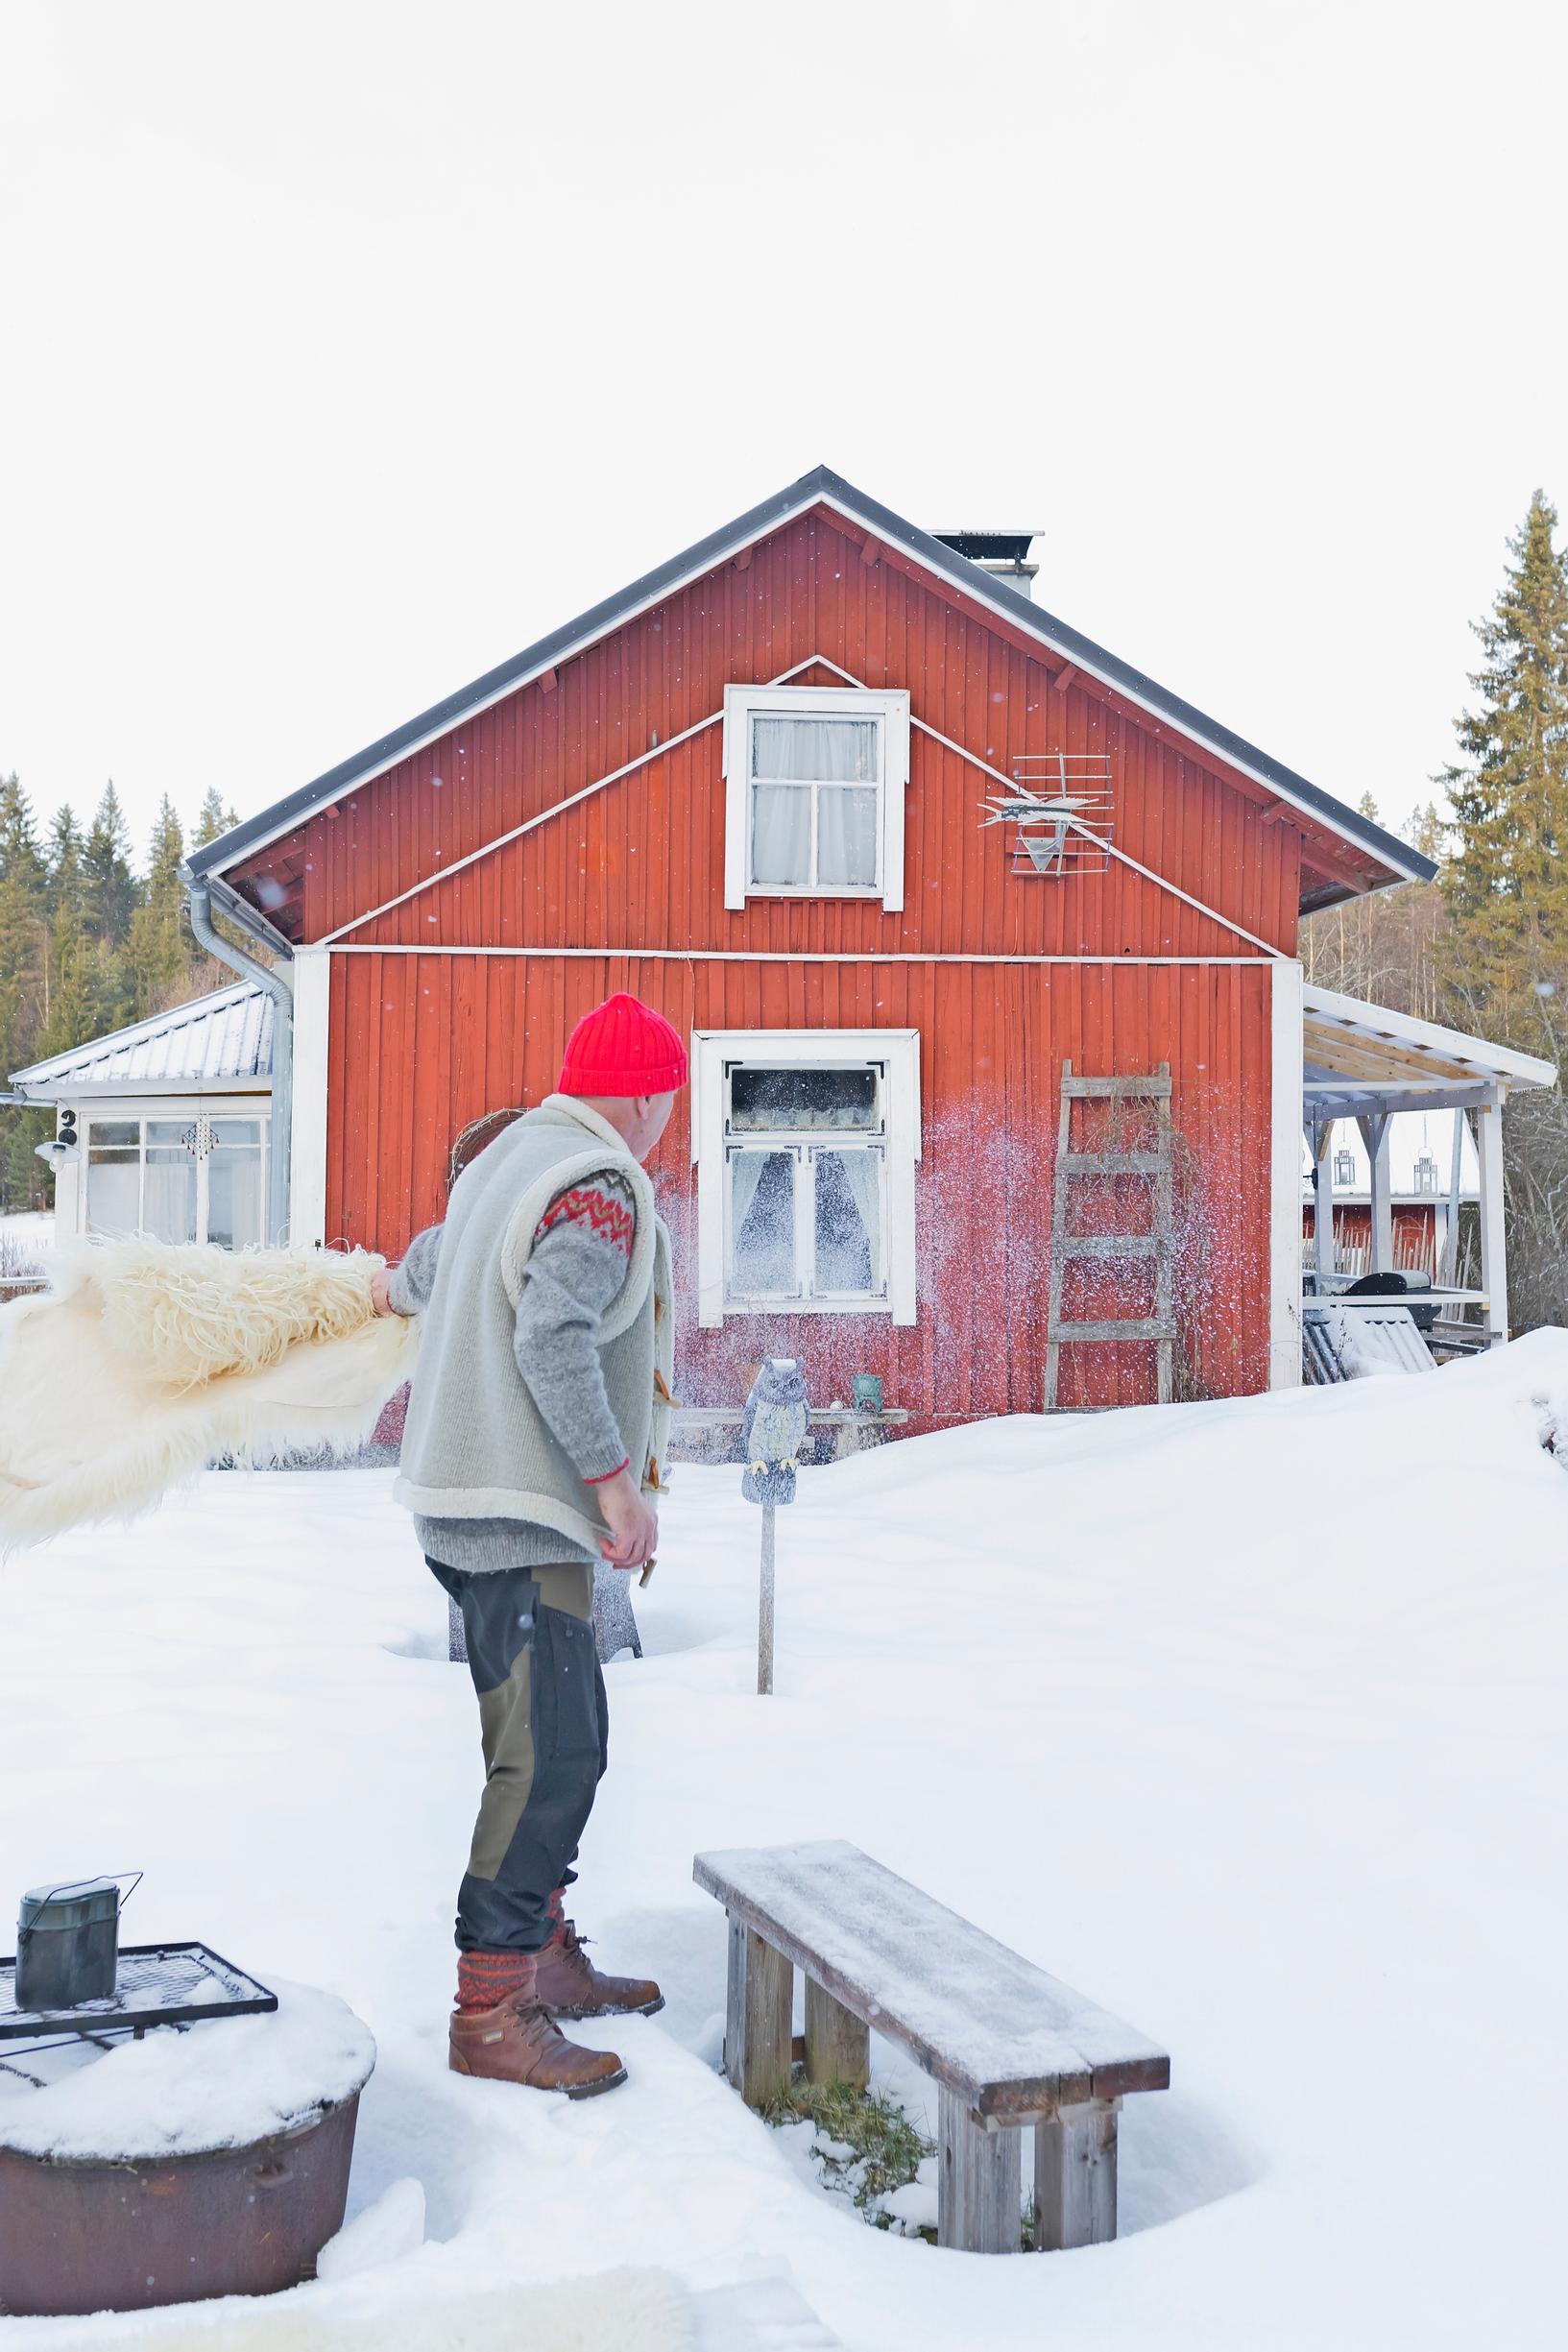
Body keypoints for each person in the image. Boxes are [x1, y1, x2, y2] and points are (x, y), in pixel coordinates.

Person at [373, 992, 686, 2098]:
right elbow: (550, 1335)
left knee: (558, 1738)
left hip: (463, 1501)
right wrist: (614, 1489)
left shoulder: (510, 1156)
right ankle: (491, 2006)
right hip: (516, 1509)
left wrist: (374, 1291)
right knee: (548, 1754)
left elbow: (420, 1267)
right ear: (650, 1098)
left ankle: (540, 1957)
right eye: (666, 1108)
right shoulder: (599, 1187)